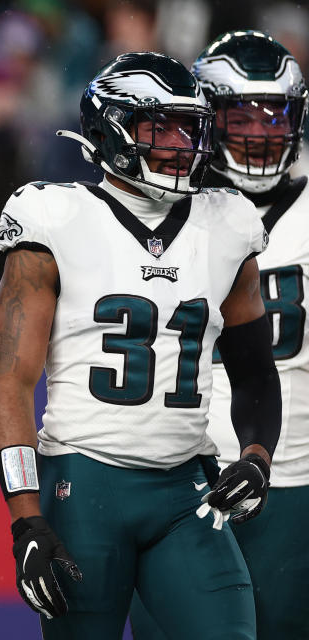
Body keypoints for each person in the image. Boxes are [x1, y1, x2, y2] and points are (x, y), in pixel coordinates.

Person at [0, 51, 282, 639]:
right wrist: (26, 519)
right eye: (157, 126)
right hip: (84, 484)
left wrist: (256, 459)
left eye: (187, 126)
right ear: (110, 129)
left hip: (187, 490)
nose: (178, 143)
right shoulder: (54, 216)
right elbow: (10, 384)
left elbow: (253, 373)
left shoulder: (228, 223)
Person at [130, 30, 309, 640]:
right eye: (239, 114)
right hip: (182, 470)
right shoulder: (159, 209)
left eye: (275, 114)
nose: (260, 132)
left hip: (296, 471)